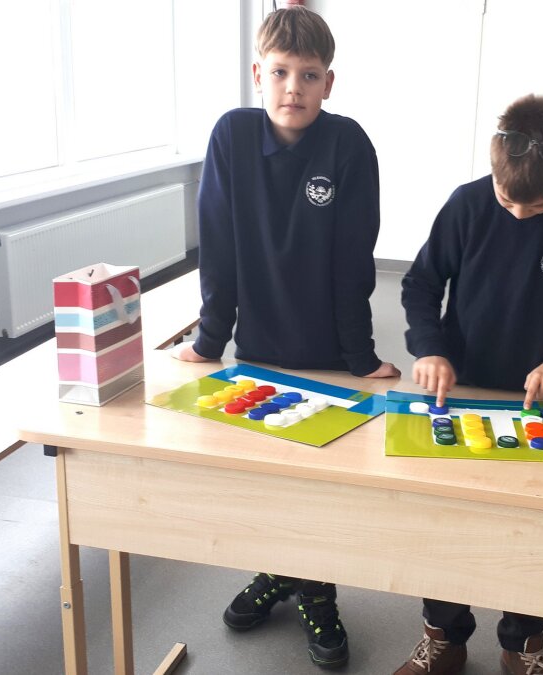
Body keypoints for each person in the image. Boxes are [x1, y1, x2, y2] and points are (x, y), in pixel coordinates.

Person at [170, 6, 398, 669]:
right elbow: (218, 245)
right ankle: (283, 573)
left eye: (309, 74)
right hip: (260, 348)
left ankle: (314, 595)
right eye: (279, 72)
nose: (292, 87)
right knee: (269, 483)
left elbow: (353, 258)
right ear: (257, 74)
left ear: (329, 82)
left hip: (329, 353)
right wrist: (210, 339)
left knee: (322, 485)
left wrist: (360, 356)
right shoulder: (232, 135)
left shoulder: (348, 144)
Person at [396, 94, 543, 675]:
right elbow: (421, 286)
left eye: (540, 203)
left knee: (536, 525)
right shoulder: (466, 204)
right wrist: (430, 347)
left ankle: (524, 640)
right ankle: (444, 634)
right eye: (509, 200)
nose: (522, 213)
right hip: (461, 393)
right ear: (493, 157)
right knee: (448, 518)